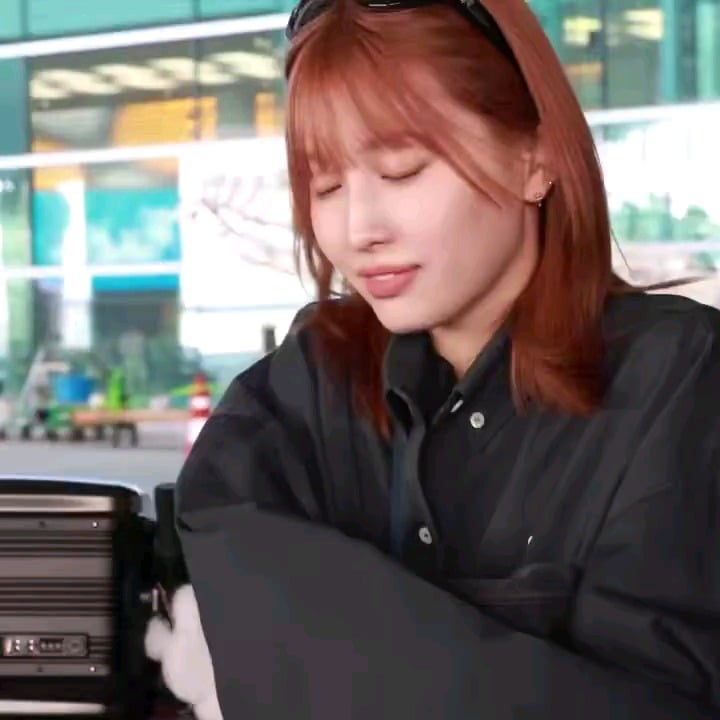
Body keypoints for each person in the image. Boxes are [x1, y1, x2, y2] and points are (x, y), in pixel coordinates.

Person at [173, 0, 720, 717]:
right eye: (326, 185)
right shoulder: (310, 381)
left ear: (536, 158)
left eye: (402, 171)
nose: (359, 228)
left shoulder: (680, 377)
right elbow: (220, 534)